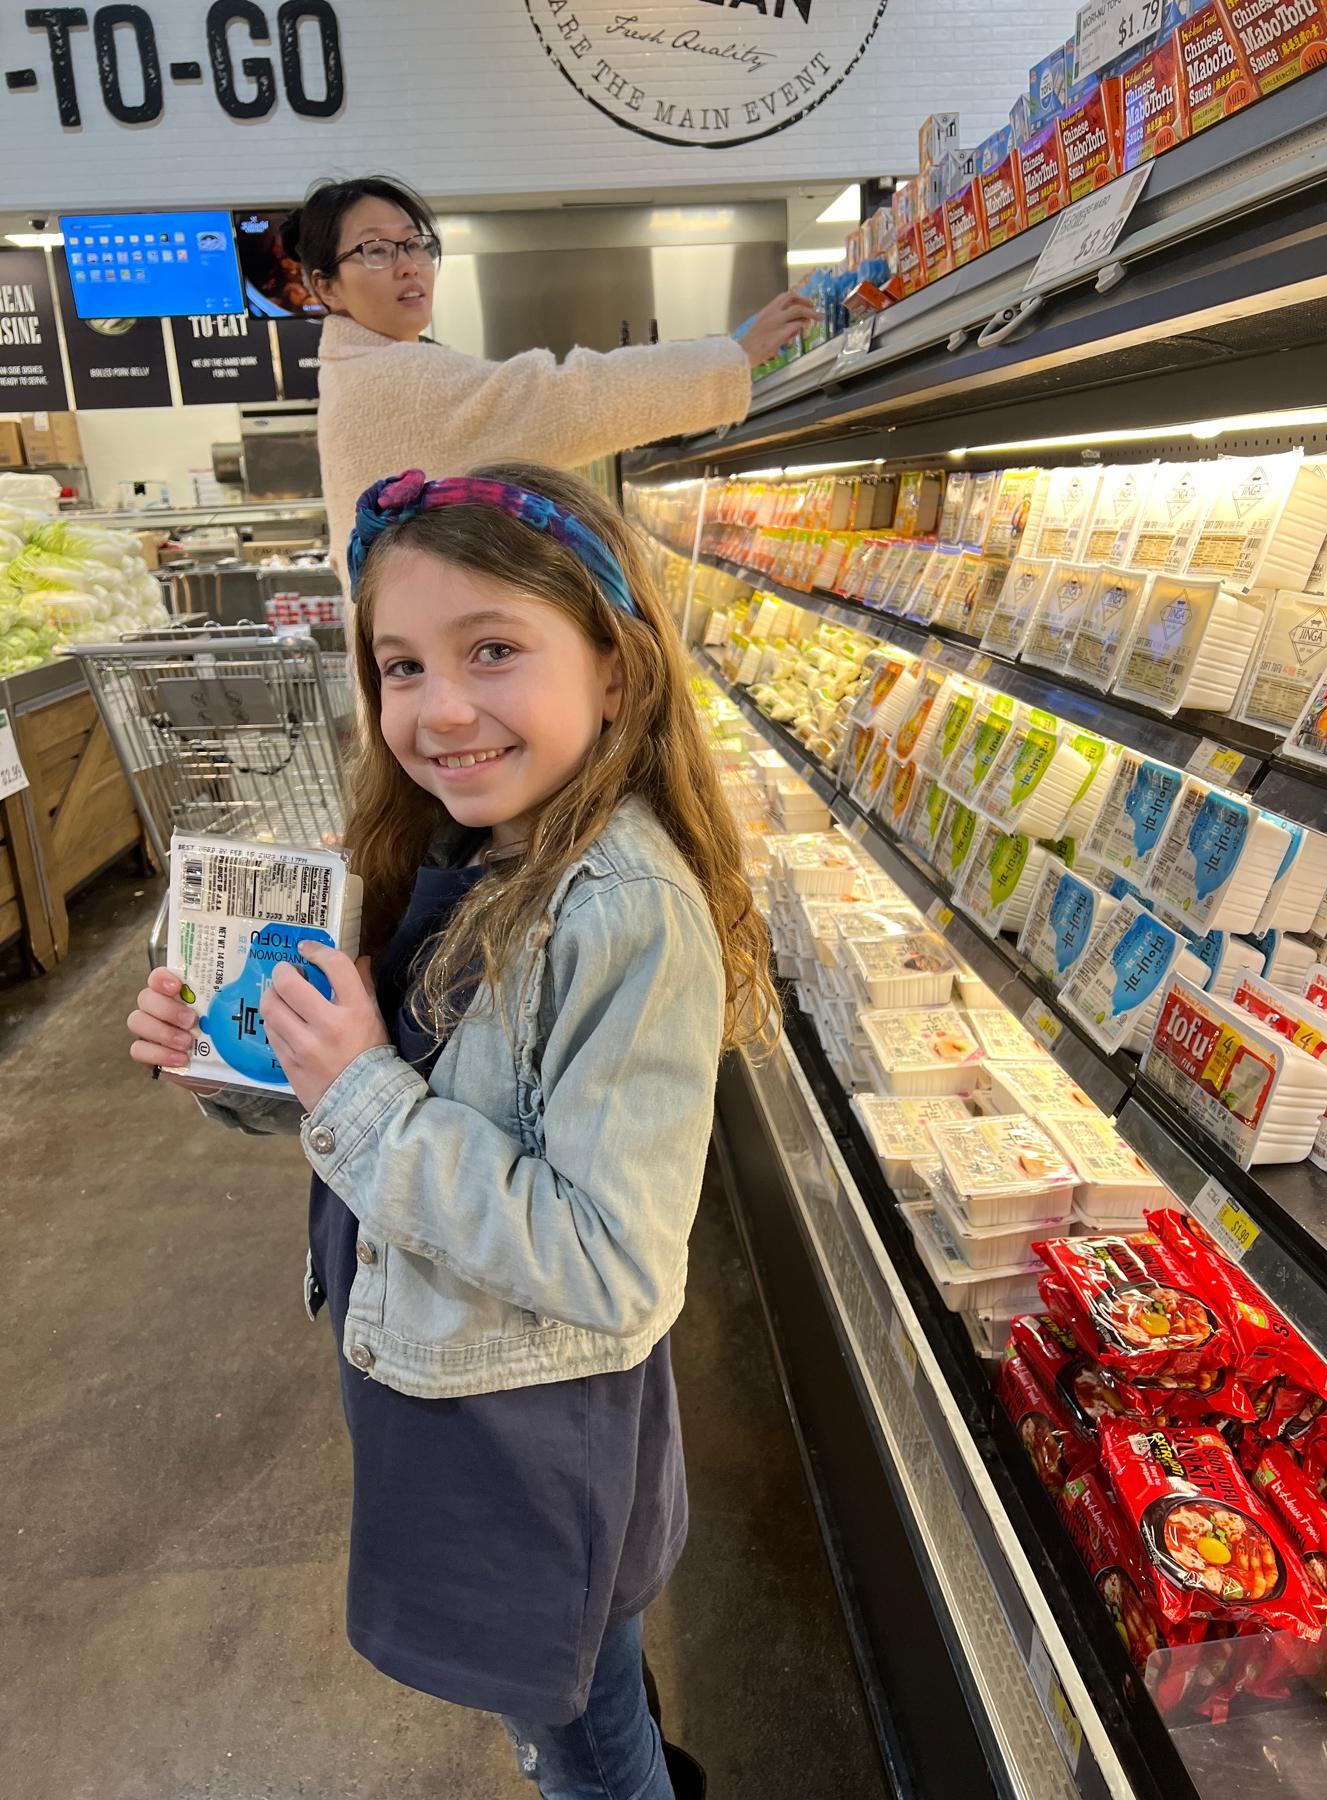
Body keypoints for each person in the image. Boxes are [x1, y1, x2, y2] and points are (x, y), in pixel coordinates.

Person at [127, 462, 778, 1799]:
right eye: (402, 665)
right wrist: (237, 1059)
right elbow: (401, 1093)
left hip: (537, 1444)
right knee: (579, 1694)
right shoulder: (472, 848)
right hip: (458, 1400)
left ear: (615, 670)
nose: (441, 707)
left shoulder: (620, 913)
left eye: (494, 650)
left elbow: (608, 1263)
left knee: (579, 1738)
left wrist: (358, 1086)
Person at [279, 176, 816, 586]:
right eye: (376, 250)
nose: (408, 266)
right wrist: (732, 357)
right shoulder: (395, 377)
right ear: (327, 287)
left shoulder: (360, 370)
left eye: (417, 244)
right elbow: (564, 400)